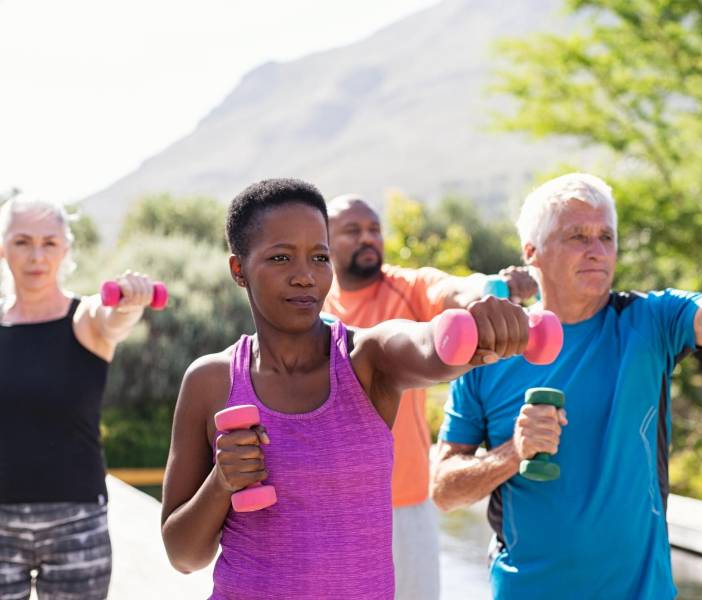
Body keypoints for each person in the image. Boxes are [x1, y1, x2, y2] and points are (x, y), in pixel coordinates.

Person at [430, 172, 702, 599]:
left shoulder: (651, 321)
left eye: (606, 236)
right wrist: (514, 452)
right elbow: (443, 490)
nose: (597, 251)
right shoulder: (489, 352)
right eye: (578, 236)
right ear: (532, 253)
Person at [159, 178, 531, 600]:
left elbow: (427, 348)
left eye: (319, 257)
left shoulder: (366, 359)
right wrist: (222, 482)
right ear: (239, 269)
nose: (305, 277)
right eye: (281, 257)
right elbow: (183, 555)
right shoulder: (210, 381)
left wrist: (478, 332)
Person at [323, 194, 538, 600]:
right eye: (353, 231)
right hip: (328, 506)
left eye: (374, 229)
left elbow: (457, 289)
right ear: (326, 241)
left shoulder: (409, 287)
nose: (368, 238)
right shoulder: (312, 302)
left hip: (404, 502)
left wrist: (497, 287)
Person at [0, 195, 156, 600]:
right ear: (3, 247)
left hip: (77, 523)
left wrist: (128, 303)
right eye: (22, 241)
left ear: (65, 249)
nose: (36, 255)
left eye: (49, 242)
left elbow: (112, 319)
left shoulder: (84, 318)